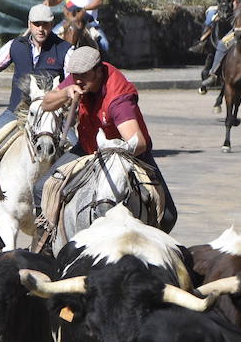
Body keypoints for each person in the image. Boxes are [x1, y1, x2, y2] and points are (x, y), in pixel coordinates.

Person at [38, 46, 177, 231]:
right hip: (87, 148)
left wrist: (110, 158)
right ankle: (46, 242)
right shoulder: (77, 79)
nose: (78, 80)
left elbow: (139, 143)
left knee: (167, 216)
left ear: (98, 70)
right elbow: (46, 104)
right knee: (42, 188)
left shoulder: (118, 98)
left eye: (84, 75)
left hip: (125, 155)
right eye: (74, 75)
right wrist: (65, 92)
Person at [0, 4, 72, 135]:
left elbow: (72, 80)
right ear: (29, 24)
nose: (41, 29)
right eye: (37, 24)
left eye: (45, 24)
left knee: (74, 150)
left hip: (52, 115)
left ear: (52, 25)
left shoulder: (65, 49)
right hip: (16, 113)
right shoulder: (15, 45)